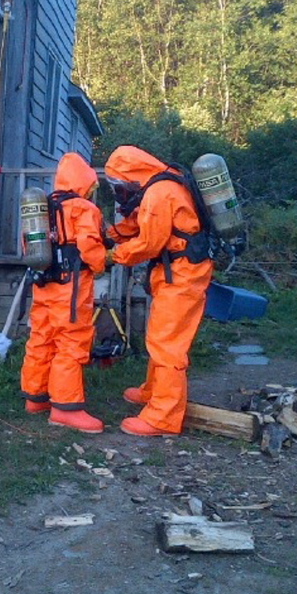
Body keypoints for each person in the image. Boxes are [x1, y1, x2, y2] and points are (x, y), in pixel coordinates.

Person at [104, 145, 213, 437]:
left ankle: (163, 417)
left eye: (119, 184)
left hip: (182, 274)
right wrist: (111, 234)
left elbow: (148, 243)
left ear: (131, 175)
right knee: (159, 335)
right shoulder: (162, 183)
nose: (119, 191)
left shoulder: (159, 192)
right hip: (177, 272)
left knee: (168, 344)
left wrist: (113, 255)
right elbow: (140, 221)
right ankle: (153, 391)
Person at [20, 152, 107, 433]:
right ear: (85, 182)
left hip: (44, 284)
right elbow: (91, 248)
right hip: (72, 286)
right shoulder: (84, 209)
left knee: (41, 338)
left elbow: (29, 246)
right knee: (71, 342)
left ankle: (36, 398)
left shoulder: (43, 206)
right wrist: (103, 263)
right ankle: (65, 409)